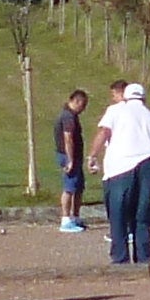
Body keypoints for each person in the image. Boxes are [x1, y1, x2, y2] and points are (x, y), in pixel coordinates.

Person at [92, 80, 150, 265]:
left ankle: (120, 258)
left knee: (118, 213)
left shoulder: (116, 110)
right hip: (149, 165)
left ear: (125, 97)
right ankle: (144, 259)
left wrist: (92, 156)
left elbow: (104, 132)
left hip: (121, 166)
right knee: (141, 215)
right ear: (143, 98)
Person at [52, 88, 90, 233]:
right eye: (83, 105)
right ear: (77, 102)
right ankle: (66, 219)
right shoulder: (68, 117)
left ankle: (75, 217)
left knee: (78, 186)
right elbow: (68, 138)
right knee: (69, 186)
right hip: (68, 156)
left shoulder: (71, 115)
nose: (84, 109)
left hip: (75, 156)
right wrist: (70, 159)